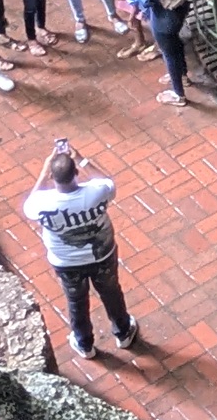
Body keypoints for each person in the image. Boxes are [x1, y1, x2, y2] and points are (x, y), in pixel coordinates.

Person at [20, 137, 140, 358]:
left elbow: (30, 202)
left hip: (66, 262)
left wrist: (45, 170)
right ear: (75, 173)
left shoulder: (41, 204)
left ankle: (84, 344)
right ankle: (123, 332)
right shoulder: (96, 192)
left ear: (51, 176)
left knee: (76, 300)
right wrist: (82, 160)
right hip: (102, 255)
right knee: (111, 292)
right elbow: (106, 181)